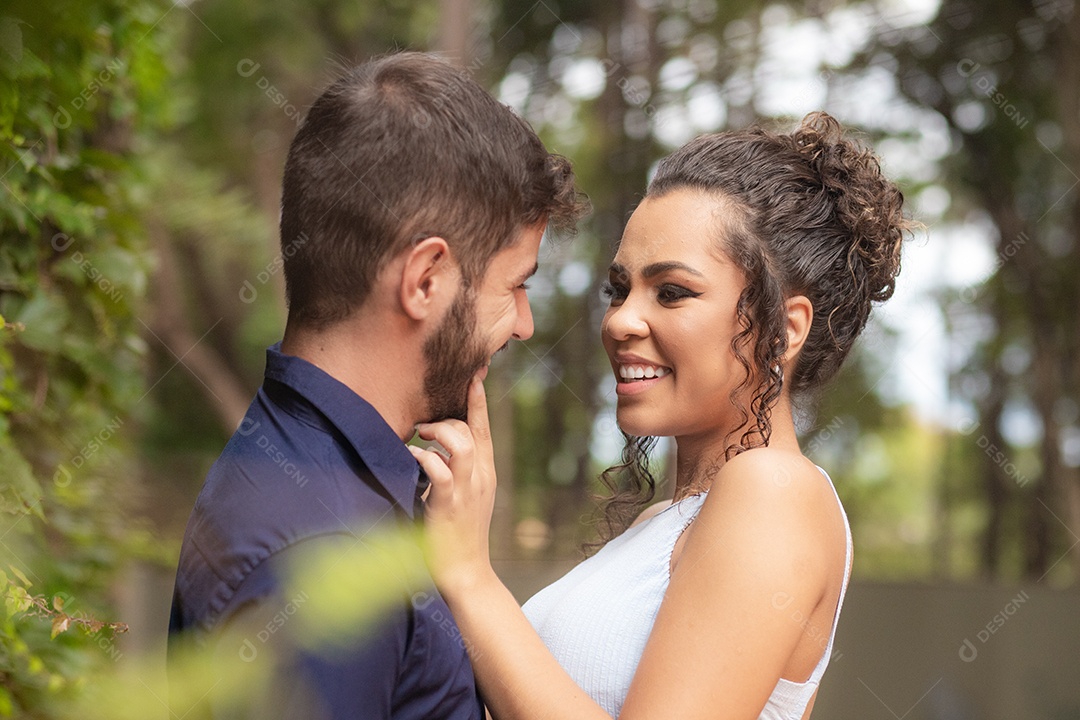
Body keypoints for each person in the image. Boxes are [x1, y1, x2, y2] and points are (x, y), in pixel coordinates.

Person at [413, 111, 910, 719]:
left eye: (671, 291)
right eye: (618, 289)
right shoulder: (671, 520)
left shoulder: (773, 491)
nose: (620, 320)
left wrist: (468, 574)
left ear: (786, 329)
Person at [167, 51, 585, 719]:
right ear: (425, 281)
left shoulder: (322, 479)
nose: (526, 326)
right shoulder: (323, 559)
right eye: (516, 285)